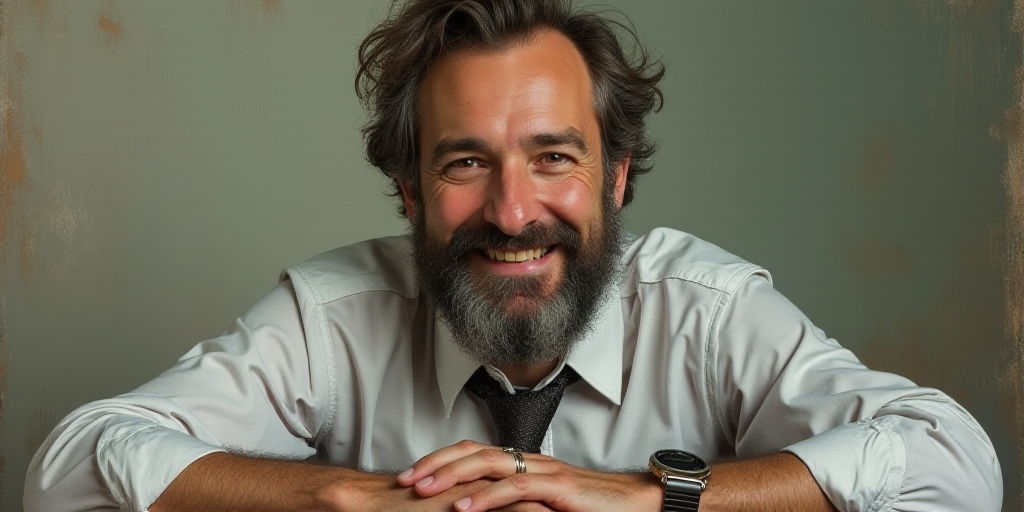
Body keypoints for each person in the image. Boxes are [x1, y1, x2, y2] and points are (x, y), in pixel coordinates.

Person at [25, 1, 1001, 511]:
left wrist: (651, 496)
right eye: (463, 161)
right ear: (408, 187)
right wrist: (342, 494)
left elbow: (955, 467)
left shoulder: (706, 308)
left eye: (553, 156)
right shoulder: (330, 314)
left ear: (615, 175)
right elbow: (67, 468)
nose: (512, 209)